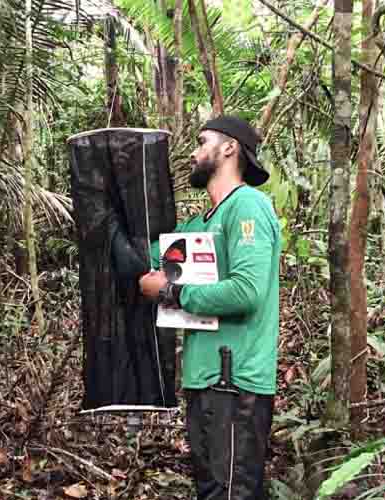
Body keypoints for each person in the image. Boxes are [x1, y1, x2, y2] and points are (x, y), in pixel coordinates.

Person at [139, 115, 281, 500]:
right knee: (212, 490)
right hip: (204, 379)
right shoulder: (199, 224)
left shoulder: (247, 207)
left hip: (235, 382)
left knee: (231, 492)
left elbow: (247, 292)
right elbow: (146, 259)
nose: (193, 151)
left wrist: (173, 291)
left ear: (229, 148)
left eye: (202, 142)